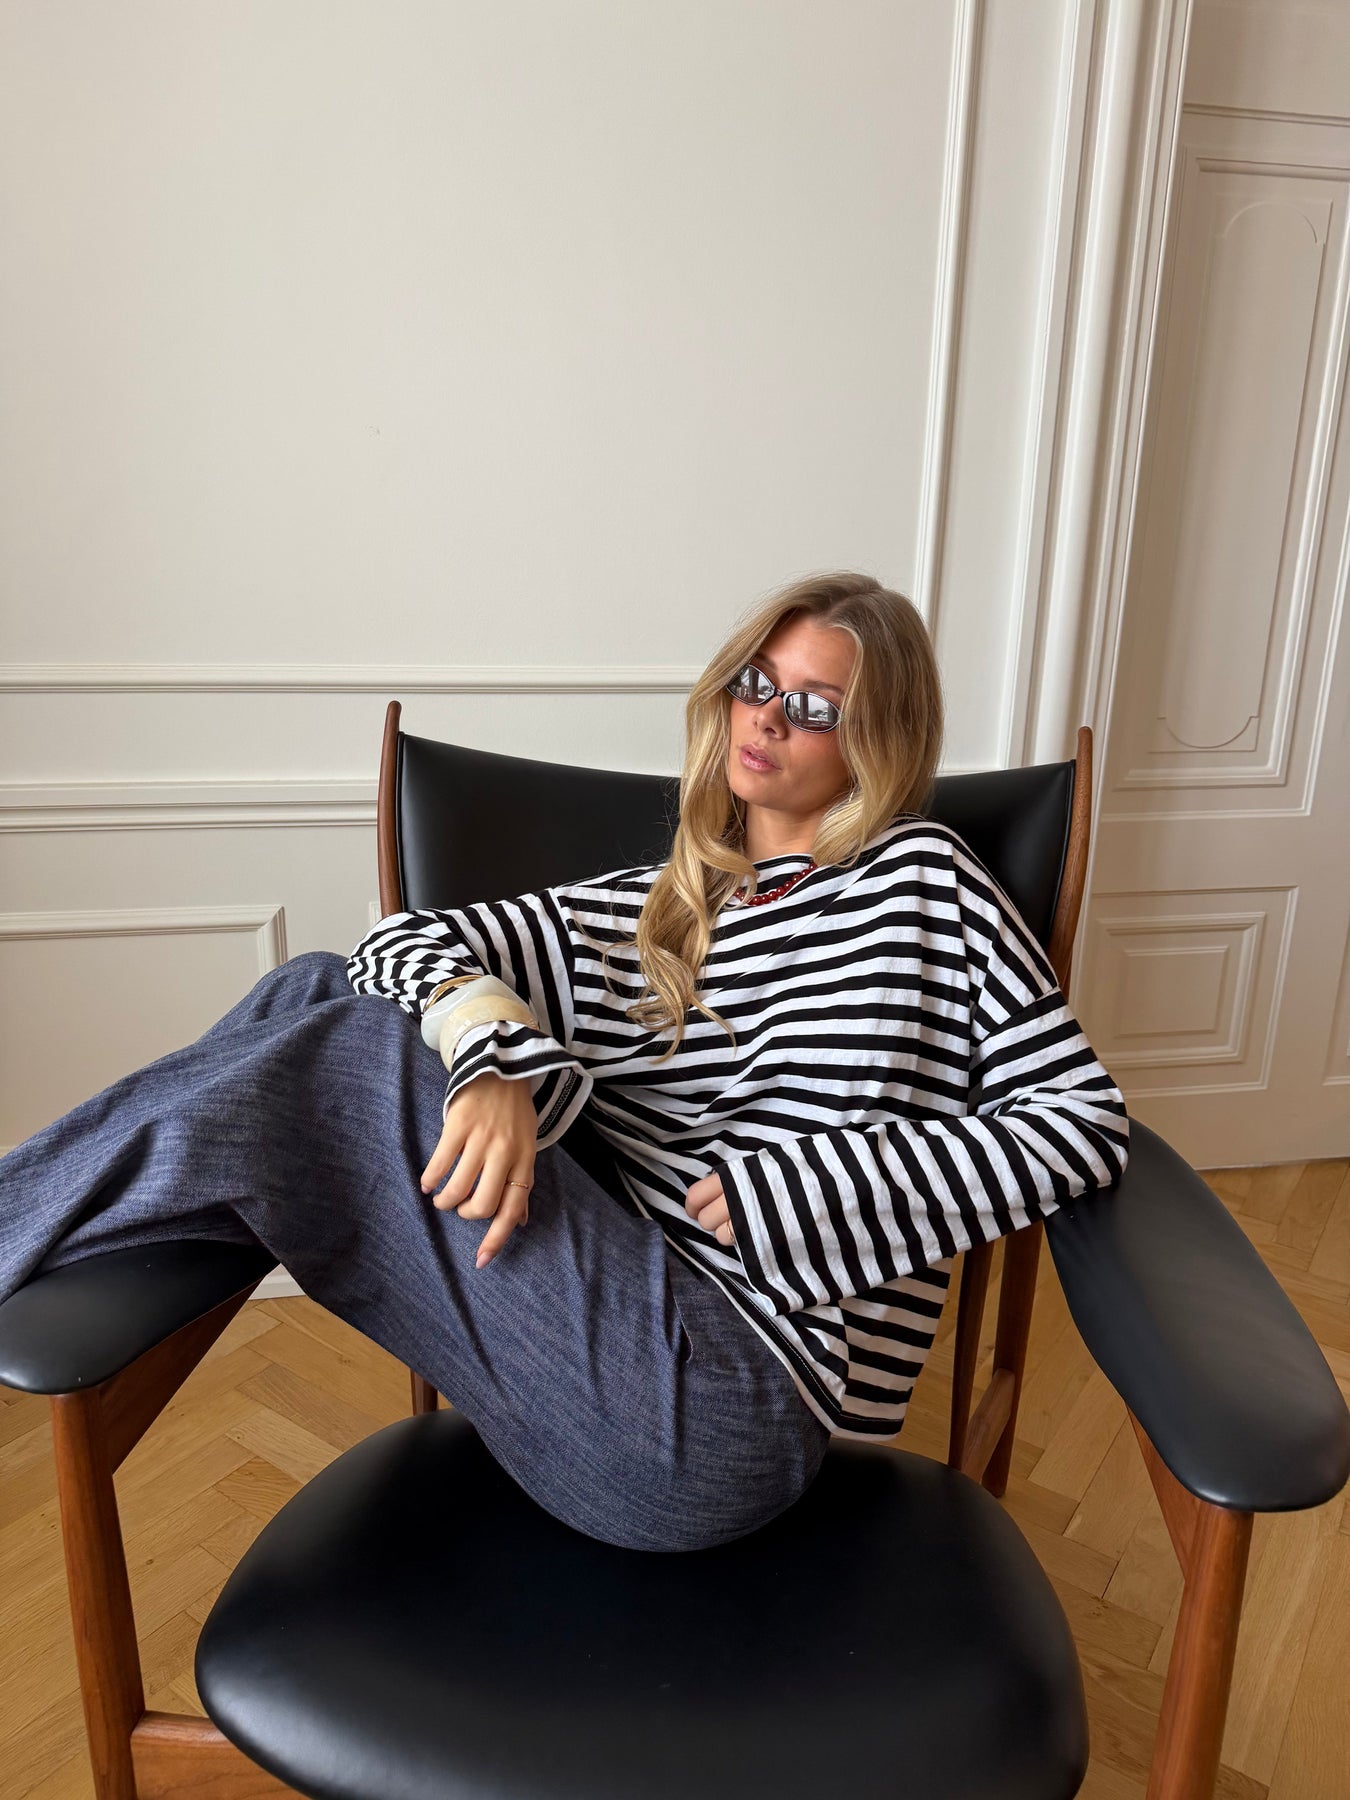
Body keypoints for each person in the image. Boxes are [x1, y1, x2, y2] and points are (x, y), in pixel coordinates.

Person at [0, 571, 1129, 1552]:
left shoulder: (924, 881)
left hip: (732, 1407)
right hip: (615, 1352)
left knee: (339, 1050)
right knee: (319, 987)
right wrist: (492, 1060)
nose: (766, 719)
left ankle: (49, 1240)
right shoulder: (667, 908)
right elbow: (399, 945)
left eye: (813, 707)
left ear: (877, 743)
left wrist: (803, 1188)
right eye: (756, 683)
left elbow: (1081, 1122)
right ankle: (79, 1276)